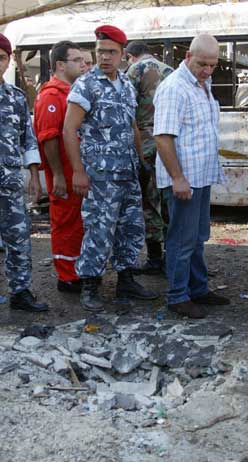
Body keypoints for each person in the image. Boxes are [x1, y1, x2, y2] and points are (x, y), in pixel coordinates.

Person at [63, 25, 158, 311]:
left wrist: (141, 162)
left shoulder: (127, 85)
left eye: (111, 52)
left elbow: (133, 127)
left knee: (130, 228)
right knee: (99, 230)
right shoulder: (86, 85)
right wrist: (78, 171)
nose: (105, 57)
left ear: (122, 54)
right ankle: (90, 285)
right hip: (100, 176)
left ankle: (126, 280)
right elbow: (69, 130)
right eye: (100, 51)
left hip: (127, 173)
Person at [153, 34, 230, 319]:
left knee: (197, 237)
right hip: (184, 180)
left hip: (200, 176)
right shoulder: (175, 88)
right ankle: (177, 296)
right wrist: (178, 178)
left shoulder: (202, 84)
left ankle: (198, 289)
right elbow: (162, 137)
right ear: (188, 56)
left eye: (213, 65)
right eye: (202, 64)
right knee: (182, 239)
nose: (208, 71)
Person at [0, 34, 48, 312]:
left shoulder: (16, 97)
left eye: (1, 57)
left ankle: (20, 292)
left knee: (18, 238)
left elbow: (27, 138)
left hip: (9, 183)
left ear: (8, 62)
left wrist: (33, 174)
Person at [34, 41, 85, 293]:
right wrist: (57, 176)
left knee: (78, 224)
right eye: (76, 60)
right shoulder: (51, 95)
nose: (83, 64)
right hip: (63, 173)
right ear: (60, 65)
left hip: (74, 170)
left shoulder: (71, 92)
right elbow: (49, 137)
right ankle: (67, 277)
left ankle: (76, 271)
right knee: (65, 223)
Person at [126, 41, 173, 274]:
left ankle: (155, 258)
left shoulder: (136, 69)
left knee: (147, 200)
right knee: (167, 198)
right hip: (170, 141)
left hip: (144, 141)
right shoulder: (170, 70)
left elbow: (127, 108)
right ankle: (172, 254)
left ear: (129, 56)